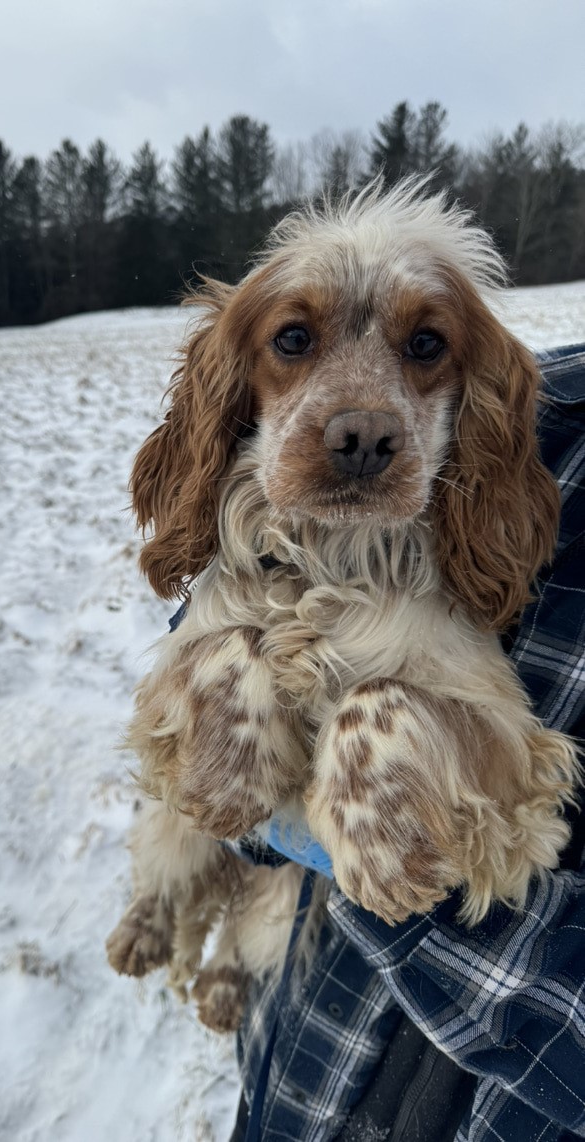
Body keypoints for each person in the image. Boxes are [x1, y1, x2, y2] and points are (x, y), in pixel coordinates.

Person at [229, 344, 585, 1142]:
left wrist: (404, 871)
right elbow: (240, 566)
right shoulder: (535, 401)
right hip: (304, 1065)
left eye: (423, 347)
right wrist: (231, 687)